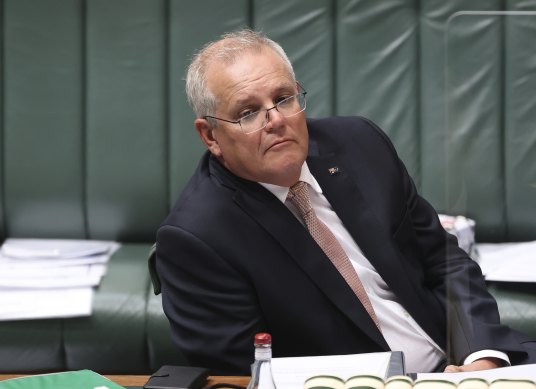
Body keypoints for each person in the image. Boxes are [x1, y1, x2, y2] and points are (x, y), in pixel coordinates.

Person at [155, 29, 536, 375]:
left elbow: (443, 261)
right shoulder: (198, 236)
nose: (275, 120)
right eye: (248, 112)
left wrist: (480, 359)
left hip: (467, 367)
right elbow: (247, 375)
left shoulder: (359, 144)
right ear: (210, 135)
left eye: (283, 98)